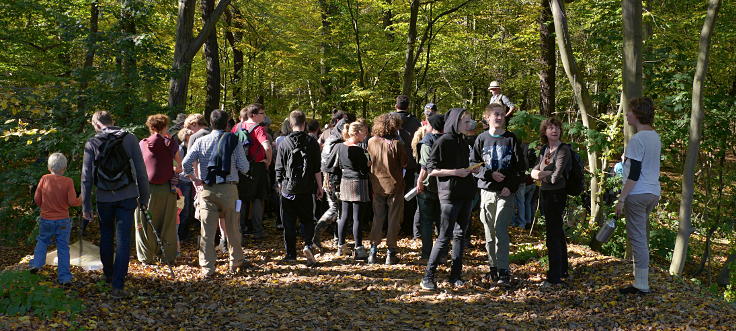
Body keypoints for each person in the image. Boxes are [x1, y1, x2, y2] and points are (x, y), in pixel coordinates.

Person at [81, 111, 150, 299]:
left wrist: (86, 206)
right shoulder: (129, 139)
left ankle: (108, 275)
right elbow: (141, 171)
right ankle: (118, 284)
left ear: (96, 124)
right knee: (123, 240)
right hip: (127, 195)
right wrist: (144, 197)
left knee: (106, 235)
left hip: (104, 197)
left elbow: (86, 177)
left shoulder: (92, 143)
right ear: (113, 121)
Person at [183, 110, 249, 277]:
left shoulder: (200, 141)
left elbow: (185, 163)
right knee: (233, 228)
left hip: (207, 189)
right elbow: (244, 167)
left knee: (207, 231)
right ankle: (235, 264)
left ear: (210, 123)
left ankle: (208, 268)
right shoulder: (234, 141)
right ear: (227, 123)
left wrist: (195, 178)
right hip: (229, 189)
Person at [420, 108, 478, 290]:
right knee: (444, 236)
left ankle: (455, 275)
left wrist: (471, 169)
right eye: (466, 121)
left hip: (466, 193)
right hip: (449, 195)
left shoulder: (464, 140)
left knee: (460, 235)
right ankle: (428, 276)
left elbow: (462, 165)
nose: (469, 125)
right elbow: (431, 169)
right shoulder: (444, 140)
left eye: (470, 121)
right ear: (455, 122)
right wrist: (456, 172)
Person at [472, 103, 525, 285]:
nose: (500, 117)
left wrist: (510, 186)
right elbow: (474, 165)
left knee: (501, 229)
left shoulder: (511, 139)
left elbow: (520, 167)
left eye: (502, 114)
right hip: (487, 191)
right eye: (496, 114)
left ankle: (504, 270)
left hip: (505, 192)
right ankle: (493, 268)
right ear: (487, 117)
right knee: (489, 231)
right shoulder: (481, 139)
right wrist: (489, 174)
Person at [615, 97, 661, 295]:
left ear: (638, 114)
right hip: (653, 192)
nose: (627, 115)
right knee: (640, 235)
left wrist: (622, 198)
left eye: (629, 112)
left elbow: (634, 174)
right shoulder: (655, 136)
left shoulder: (638, 139)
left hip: (637, 193)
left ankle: (641, 284)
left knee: (638, 238)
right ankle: (639, 280)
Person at [275, 110, 323, 264]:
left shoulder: (284, 143)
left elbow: (279, 168)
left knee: (288, 222)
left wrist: (279, 186)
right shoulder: (312, 142)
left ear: (290, 124)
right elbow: (317, 168)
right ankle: (308, 245)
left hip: (288, 189)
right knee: (307, 220)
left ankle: (290, 254)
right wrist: (319, 187)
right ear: (305, 124)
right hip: (306, 188)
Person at [135, 114, 182, 265]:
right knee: (167, 223)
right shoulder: (170, 143)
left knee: (143, 223)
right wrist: (170, 168)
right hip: (167, 190)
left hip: (146, 190)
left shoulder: (142, 144)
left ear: (150, 127)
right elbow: (179, 167)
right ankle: (167, 256)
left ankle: (146, 257)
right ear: (165, 127)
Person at [30, 153, 82, 285]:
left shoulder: (44, 179)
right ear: (64, 168)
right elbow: (72, 202)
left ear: (49, 167)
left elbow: (37, 199)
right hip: (63, 220)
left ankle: (36, 263)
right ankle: (64, 278)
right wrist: (82, 198)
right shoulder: (68, 181)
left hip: (46, 219)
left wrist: (44, 207)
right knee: (63, 248)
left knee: (42, 241)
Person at [532, 117, 571, 286]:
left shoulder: (563, 150)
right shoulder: (545, 150)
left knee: (552, 235)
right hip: (545, 194)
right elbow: (533, 171)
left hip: (557, 195)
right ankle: (562, 269)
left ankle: (554, 276)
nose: (554, 130)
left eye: (557, 127)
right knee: (556, 232)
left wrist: (541, 175)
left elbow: (556, 177)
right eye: (550, 128)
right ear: (545, 132)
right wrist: (540, 174)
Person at [367, 113, 408, 265]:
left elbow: (369, 160)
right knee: (393, 219)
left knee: (378, 217)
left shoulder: (371, 141)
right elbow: (404, 163)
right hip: (395, 185)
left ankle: (373, 251)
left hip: (377, 185)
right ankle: (391, 252)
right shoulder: (397, 144)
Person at [233, 103, 272, 239]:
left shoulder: (236, 127)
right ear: (253, 115)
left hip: (240, 168)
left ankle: (239, 228)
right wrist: (268, 160)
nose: (264, 116)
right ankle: (257, 230)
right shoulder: (258, 129)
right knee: (257, 198)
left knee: (241, 199)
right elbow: (267, 146)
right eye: (262, 113)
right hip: (256, 167)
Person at [335, 120, 371, 258]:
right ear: (356, 133)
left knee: (344, 216)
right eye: (364, 132)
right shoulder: (357, 149)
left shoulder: (340, 146)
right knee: (357, 218)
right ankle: (359, 247)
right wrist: (368, 163)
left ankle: (341, 245)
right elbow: (364, 167)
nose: (366, 135)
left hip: (345, 181)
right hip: (357, 183)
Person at [391, 95, 422, 236]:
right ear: (407, 106)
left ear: (395, 105)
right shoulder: (415, 122)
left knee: (392, 196)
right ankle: (408, 227)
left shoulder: (388, 119)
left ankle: (391, 227)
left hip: (392, 164)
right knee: (409, 197)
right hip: (410, 163)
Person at [415, 114, 444, 261]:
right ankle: (442, 254)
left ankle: (427, 253)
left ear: (431, 126)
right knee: (441, 221)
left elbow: (425, 165)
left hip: (429, 187)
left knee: (426, 222)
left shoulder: (427, 141)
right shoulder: (449, 139)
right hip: (445, 186)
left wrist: (420, 180)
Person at [177, 114, 210, 241]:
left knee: (193, 208)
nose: (190, 135)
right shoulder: (180, 149)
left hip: (194, 181)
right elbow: (180, 166)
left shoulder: (198, 138)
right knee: (182, 208)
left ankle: (187, 232)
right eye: (187, 138)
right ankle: (181, 233)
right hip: (183, 182)